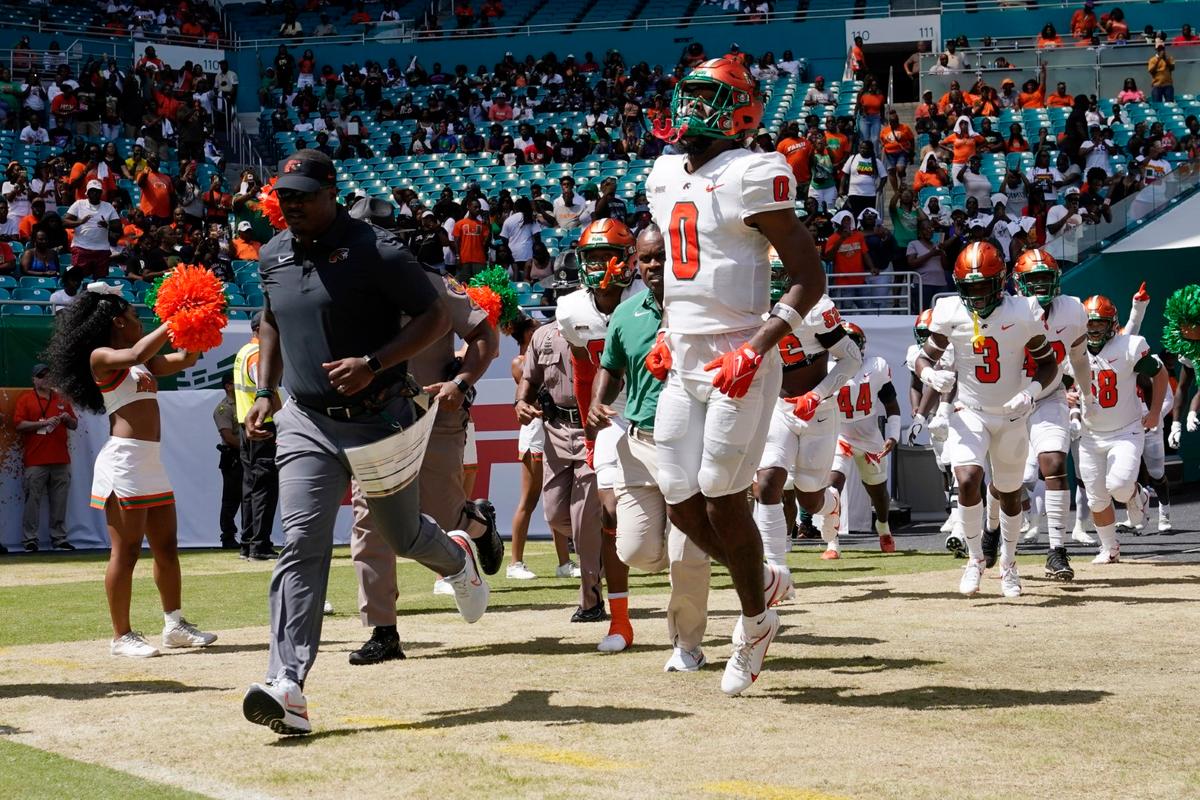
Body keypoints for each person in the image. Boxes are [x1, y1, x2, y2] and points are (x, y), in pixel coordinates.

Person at [240, 151, 489, 736]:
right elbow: (272, 318)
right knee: (301, 541)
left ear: (332, 190)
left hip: (380, 417)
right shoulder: (274, 252)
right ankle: (289, 684)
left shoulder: (379, 249)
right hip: (305, 420)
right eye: (285, 196)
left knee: (401, 534)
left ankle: (458, 559)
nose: (292, 205)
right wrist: (263, 389)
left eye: (303, 194)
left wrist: (375, 363)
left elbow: (433, 318)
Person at [645, 57, 826, 696]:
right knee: (677, 495)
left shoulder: (754, 170)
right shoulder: (665, 173)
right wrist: (667, 332)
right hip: (685, 354)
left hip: (738, 351)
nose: (693, 108)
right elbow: (680, 268)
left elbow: (810, 275)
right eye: (688, 92)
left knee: (722, 492)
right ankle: (765, 579)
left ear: (741, 108)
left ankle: (754, 623)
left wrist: (756, 348)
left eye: (708, 96)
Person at [344, 192, 502, 665]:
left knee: (439, 511)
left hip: (434, 409)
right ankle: (383, 630)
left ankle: (476, 524)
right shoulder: (341, 291)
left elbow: (484, 336)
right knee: (369, 520)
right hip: (374, 418)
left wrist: (461, 381)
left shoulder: (435, 285)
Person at [44, 283, 216, 657]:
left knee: (167, 548)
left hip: (150, 461)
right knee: (127, 552)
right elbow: (140, 349)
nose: (140, 322)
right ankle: (121, 635)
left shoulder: (142, 363)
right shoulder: (102, 357)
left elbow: (185, 359)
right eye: (136, 317)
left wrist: (198, 324)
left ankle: (175, 624)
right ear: (119, 322)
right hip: (123, 462)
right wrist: (174, 318)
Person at [588, 223, 714, 671]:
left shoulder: (705, 307)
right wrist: (596, 402)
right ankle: (712, 552)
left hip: (689, 446)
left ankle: (687, 645)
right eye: (646, 258)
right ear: (635, 264)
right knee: (637, 553)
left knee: (686, 554)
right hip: (638, 444)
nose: (654, 265)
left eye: (661, 256)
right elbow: (610, 366)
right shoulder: (625, 314)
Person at [915, 242, 1059, 597]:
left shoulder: (1023, 311)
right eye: (970, 287)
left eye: (983, 286)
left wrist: (1031, 392)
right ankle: (975, 558)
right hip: (970, 410)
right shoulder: (950, 310)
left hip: (1011, 413)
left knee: (1009, 494)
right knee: (967, 479)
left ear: (1000, 282)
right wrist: (930, 376)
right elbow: (922, 359)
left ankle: (1009, 563)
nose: (976, 295)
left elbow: (1049, 364)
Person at [555, 218, 644, 652]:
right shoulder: (571, 309)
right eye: (589, 257)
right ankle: (620, 621)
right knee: (608, 514)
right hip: (612, 415)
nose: (597, 265)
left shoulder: (650, 298)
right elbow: (583, 369)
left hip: (661, 411)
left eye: (605, 255)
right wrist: (588, 425)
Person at [754, 248, 863, 563]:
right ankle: (773, 567)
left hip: (818, 411)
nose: (770, 282)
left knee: (809, 497)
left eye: (777, 275)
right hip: (777, 406)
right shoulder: (752, 306)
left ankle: (831, 503)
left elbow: (852, 358)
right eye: (767, 274)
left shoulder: (815, 309)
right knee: (767, 482)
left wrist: (816, 394)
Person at [515, 291, 607, 622]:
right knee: (554, 514)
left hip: (591, 431)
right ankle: (599, 546)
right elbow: (528, 379)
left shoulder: (599, 330)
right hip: (555, 430)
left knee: (583, 519)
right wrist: (520, 402)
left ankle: (591, 601)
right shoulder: (542, 335)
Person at [1005, 249, 1090, 581]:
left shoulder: (1071, 310)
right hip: (1008, 400)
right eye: (1034, 278)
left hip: (1048, 395)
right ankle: (992, 533)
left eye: (1045, 277)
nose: (1041, 284)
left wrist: (1087, 393)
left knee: (1054, 463)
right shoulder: (1006, 311)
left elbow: (1079, 358)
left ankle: (1056, 550)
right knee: (1008, 483)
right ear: (1019, 283)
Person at [1077, 295, 1166, 563]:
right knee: (1096, 498)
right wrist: (1065, 396)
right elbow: (1057, 381)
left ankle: (1138, 494)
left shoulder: (1128, 346)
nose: (1092, 331)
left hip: (1125, 430)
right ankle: (1110, 548)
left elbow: (1159, 374)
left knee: (1118, 486)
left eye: (1098, 325)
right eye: (1088, 325)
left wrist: (1154, 412)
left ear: (1112, 324)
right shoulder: (1074, 350)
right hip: (1090, 435)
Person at [505, 315, 578, 580]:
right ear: (526, 335)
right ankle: (515, 563)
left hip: (552, 429)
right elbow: (534, 391)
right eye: (536, 329)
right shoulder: (520, 362)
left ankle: (564, 562)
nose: (544, 332)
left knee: (554, 497)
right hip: (535, 432)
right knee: (530, 499)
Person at [826, 323, 900, 551]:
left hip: (870, 438)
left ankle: (884, 527)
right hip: (839, 435)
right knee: (833, 486)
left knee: (878, 493)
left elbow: (891, 405)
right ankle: (832, 540)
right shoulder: (826, 368)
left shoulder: (876, 367)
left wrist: (893, 437)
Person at [13, 363, 78, 552]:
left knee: (60, 501)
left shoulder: (62, 399)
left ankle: (59, 538)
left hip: (60, 459)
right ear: (34, 380)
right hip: (35, 460)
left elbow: (74, 425)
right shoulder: (26, 399)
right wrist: (41, 423)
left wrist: (67, 419)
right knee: (32, 501)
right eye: (41, 376)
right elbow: (19, 425)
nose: (45, 379)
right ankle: (30, 539)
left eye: (48, 375)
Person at [232, 313, 280, 560]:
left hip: (245, 425)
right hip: (264, 425)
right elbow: (267, 392)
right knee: (265, 487)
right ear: (260, 328)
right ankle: (259, 545)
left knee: (251, 486)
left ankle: (248, 543)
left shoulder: (243, 352)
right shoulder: (258, 354)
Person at [63, 179, 118, 281]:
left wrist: (107, 225)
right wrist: (79, 222)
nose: (94, 193)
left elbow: (118, 226)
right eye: (92, 191)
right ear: (87, 192)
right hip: (81, 247)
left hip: (102, 250)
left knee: (100, 282)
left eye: (97, 191)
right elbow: (64, 222)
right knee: (77, 279)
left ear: (101, 193)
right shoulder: (79, 204)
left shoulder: (108, 206)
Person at [213, 372, 243, 550]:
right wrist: (248, 448)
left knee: (250, 498)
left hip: (246, 455)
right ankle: (228, 536)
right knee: (231, 499)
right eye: (236, 383)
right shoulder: (224, 409)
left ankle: (250, 533)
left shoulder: (246, 403)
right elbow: (228, 436)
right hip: (233, 457)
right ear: (228, 386)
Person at [451, 199, 488, 279]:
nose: (478, 209)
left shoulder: (483, 225)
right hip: (464, 259)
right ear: (469, 207)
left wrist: (487, 224)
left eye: (479, 208)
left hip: (479, 259)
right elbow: (456, 242)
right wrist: (457, 257)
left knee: (480, 285)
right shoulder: (459, 224)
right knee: (464, 284)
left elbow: (486, 242)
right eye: (475, 207)